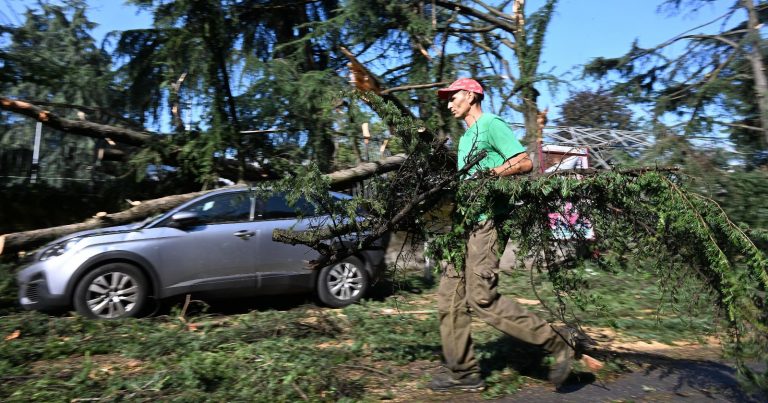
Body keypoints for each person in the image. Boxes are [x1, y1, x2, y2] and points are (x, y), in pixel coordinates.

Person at [429, 78, 575, 392]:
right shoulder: (467, 136)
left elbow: (524, 162)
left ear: (470, 95)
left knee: (480, 298)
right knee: (449, 298)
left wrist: (493, 173)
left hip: (486, 225)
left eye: (453, 97)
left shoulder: (492, 124)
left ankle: (558, 342)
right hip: (462, 226)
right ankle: (464, 373)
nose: (449, 103)